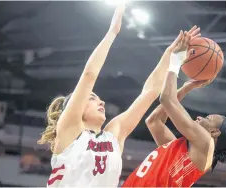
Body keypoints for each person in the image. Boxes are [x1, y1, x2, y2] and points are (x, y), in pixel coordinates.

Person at [37, 3, 201, 187]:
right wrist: (112, 32)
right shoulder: (69, 131)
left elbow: (149, 92)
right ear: (74, 109)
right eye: (91, 98)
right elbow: (89, 75)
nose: (102, 101)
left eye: (98, 98)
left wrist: (172, 55)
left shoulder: (113, 134)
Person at [122, 35, 226, 187]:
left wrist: (176, 60)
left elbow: (166, 99)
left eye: (208, 118)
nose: (200, 117)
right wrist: (187, 87)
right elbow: (154, 121)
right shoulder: (182, 150)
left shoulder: (206, 145)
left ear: (214, 133)